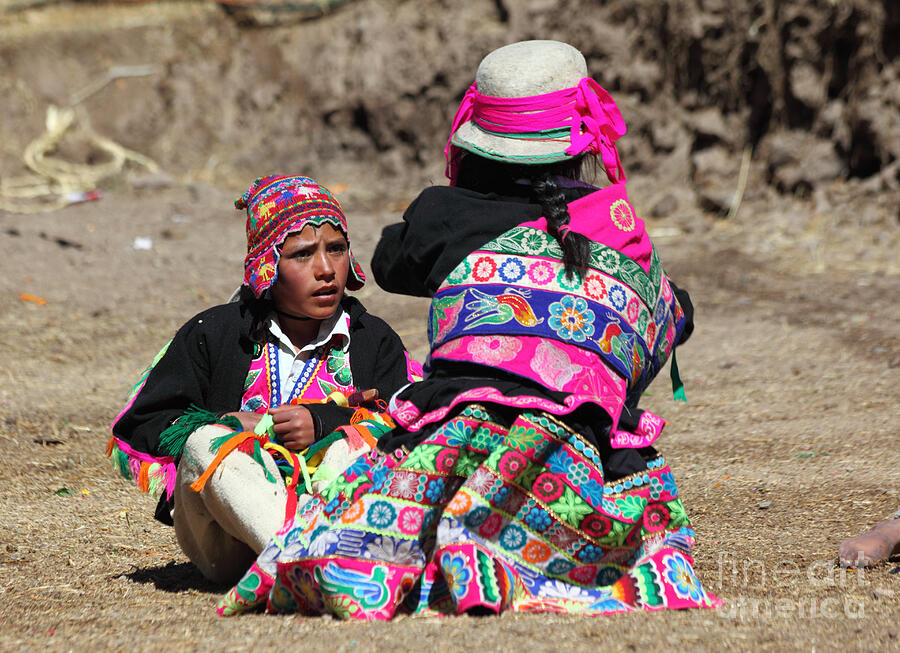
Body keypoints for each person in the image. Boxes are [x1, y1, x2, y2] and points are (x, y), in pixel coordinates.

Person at [219, 40, 719, 618]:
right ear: (581, 141)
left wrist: (450, 217)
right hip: (590, 459)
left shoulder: (445, 217)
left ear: (477, 138)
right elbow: (668, 321)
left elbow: (389, 261)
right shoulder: (621, 231)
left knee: (361, 515)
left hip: (461, 443)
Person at [108, 175, 421, 584]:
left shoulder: (373, 340)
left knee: (356, 446)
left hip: (338, 523)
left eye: (337, 249)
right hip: (227, 544)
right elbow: (144, 422)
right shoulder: (214, 333)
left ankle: (311, 566)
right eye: (303, 254)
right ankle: (306, 563)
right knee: (205, 443)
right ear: (267, 263)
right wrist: (229, 425)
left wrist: (326, 425)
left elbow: (409, 422)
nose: (326, 269)